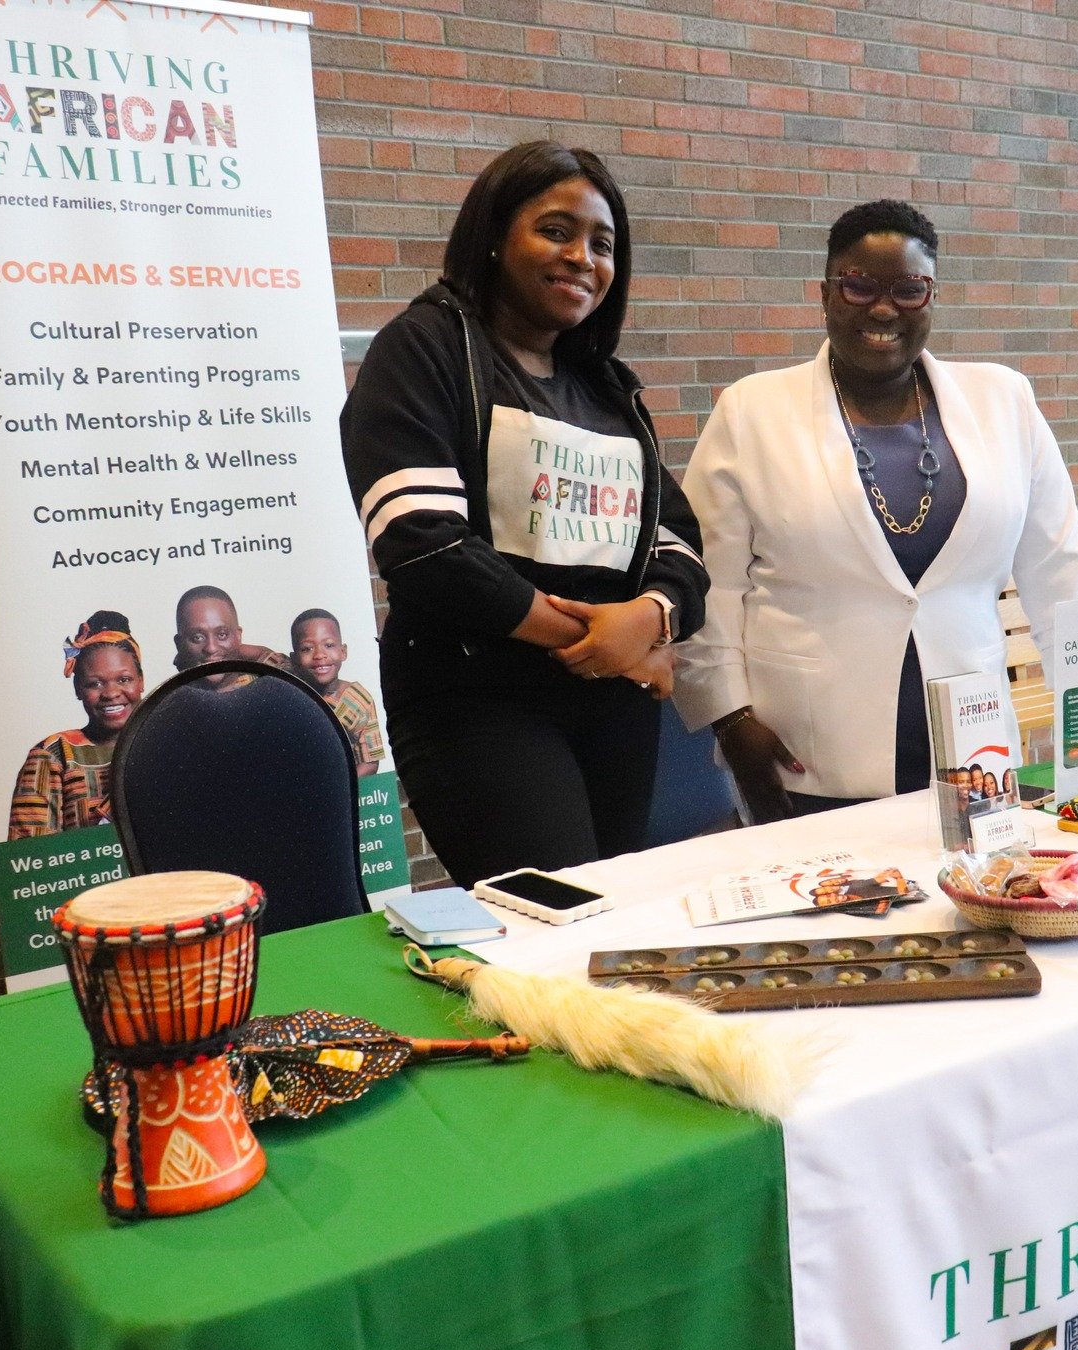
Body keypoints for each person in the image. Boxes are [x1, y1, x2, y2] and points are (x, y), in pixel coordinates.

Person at [340, 141, 708, 887]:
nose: (582, 257)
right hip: (475, 702)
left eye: (602, 244)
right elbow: (424, 546)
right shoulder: (424, 349)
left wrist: (652, 619)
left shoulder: (605, 387)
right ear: (495, 237)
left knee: (618, 913)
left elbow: (679, 543)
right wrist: (598, 640)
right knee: (558, 913)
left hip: (614, 707)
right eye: (556, 230)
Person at [675, 199, 1078, 819]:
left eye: (908, 290)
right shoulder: (751, 411)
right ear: (824, 293)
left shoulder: (1004, 400)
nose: (882, 308)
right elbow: (709, 585)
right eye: (859, 286)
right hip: (804, 752)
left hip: (973, 759)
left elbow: (1063, 573)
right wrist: (730, 720)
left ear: (932, 298)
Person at [7, 611, 144, 839]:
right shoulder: (53, 755)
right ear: (78, 689)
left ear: (141, 681)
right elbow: (33, 859)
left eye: (124, 679)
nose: (111, 693)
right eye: (95, 683)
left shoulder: (167, 742)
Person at [288, 608, 384, 778]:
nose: (319, 655)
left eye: (329, 645)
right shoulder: (288, 688)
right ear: (294, 658)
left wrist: (339, 784)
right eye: (307, 649)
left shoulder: (358, 701)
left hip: (339, 785)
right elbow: (260, 655)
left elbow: (369, 762)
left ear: (343, 651)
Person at [172, 585, 289, 689]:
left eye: (222, 635)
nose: (211, 648)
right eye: (197, 637)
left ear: (238, 636)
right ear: (179, 644)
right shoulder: (172, 700)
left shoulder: (269, 685)